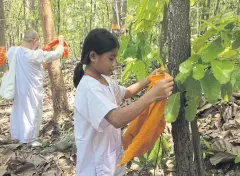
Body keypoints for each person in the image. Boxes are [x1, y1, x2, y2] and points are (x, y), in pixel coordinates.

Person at [73, 28, 174, 175]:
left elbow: (126, 93)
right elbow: (117, 119)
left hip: (110, 159)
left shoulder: (104, 81)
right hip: (95, 167)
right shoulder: (89, 88)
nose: (114, 63)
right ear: (93, 56)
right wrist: (152, 95)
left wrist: (149, 79)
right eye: (111, 58)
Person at [8, 29, 65, 147]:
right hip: (31, 90)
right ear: (34, 40)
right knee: (33, 111)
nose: (38, 44)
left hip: (19, 89)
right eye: (38, 41)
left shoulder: (13, 51)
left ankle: (18, 136)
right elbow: (57, 54)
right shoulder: (36, 54)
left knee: (19, 111)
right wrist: (60, 42)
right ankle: (30, 139)